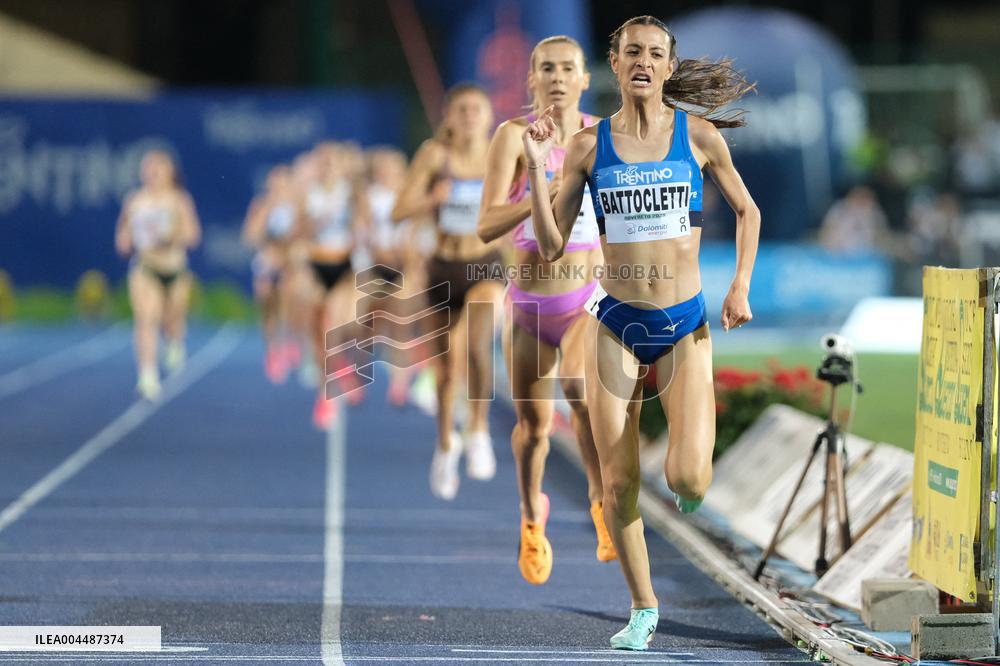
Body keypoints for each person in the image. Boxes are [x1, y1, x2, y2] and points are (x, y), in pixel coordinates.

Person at [524, 16, 759, 650]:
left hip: (685, 325)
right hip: (614, 324)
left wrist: (739, 286)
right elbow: (549, 249)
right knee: (619, 481)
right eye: (632, 53)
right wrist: (535, 170)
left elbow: (747, 210)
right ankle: (643, 607)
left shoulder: (700, 136)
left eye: (655, 54)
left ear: (669, 66)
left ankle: (688, 483)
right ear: (615, 61)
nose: (643, 63)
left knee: (687, 480)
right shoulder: (587, 147)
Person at [478, 35, 615, 586]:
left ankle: (601, 503)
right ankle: (532, 516)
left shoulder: (603, 137)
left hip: (585, 299)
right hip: (531, 307)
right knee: (534, 428)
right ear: (531, 80)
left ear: (584, 79)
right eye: (546, 69)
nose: (557, 78)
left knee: (581, 391)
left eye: (568, 69)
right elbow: (485, 224)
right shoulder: (512, 137)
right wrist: (538, 185)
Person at [391, 83, 505, 500]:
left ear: (489, 116)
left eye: (478, 108)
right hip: (443, 267)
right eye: (462, 109)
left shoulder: (499, 154)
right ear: (449, 117)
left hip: (484, 264)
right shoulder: (434, 156)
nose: (471, 115)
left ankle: (477, 429)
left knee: (477, 344)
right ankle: (444, 446)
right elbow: (398, 210)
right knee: (446, 372)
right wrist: (430, 199)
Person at [115, 150, 201, 401]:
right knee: (146, 318)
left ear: (170, 172)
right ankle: (147, 374)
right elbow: (123, 233)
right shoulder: (135, 200)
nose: (153, 173)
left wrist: (171, 237)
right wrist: (124, 241)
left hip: (174, 269)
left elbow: (193, 235)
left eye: (158, 167)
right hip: (145, 268)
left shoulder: (179, 199)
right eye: (148, 167)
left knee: (173, 317)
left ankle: (174, 342)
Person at [303, 142, 367, 429]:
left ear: (341, 166)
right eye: (323, 161)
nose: (327, 166)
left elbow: (364, 227)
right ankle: (325, 392)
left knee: (343, 324)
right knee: (319, 331)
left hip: (344, 265)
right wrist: (312, 225)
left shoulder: (351, 194)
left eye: (333, 161)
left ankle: (340, 367)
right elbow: (296, 230)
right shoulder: (307, 194)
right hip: (316, 264)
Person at [242, 164, 302, 384]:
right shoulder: (261, 204)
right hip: (267, 260)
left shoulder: (297, 205)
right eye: (273, 184)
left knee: (290, 297)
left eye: (282, 183)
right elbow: (250, 236)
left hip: (289, 261)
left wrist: (286, 251)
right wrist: (266, 211)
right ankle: (272, 348)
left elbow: (302, 235)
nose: (277, 188)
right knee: (266, 299)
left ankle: (290, 339)